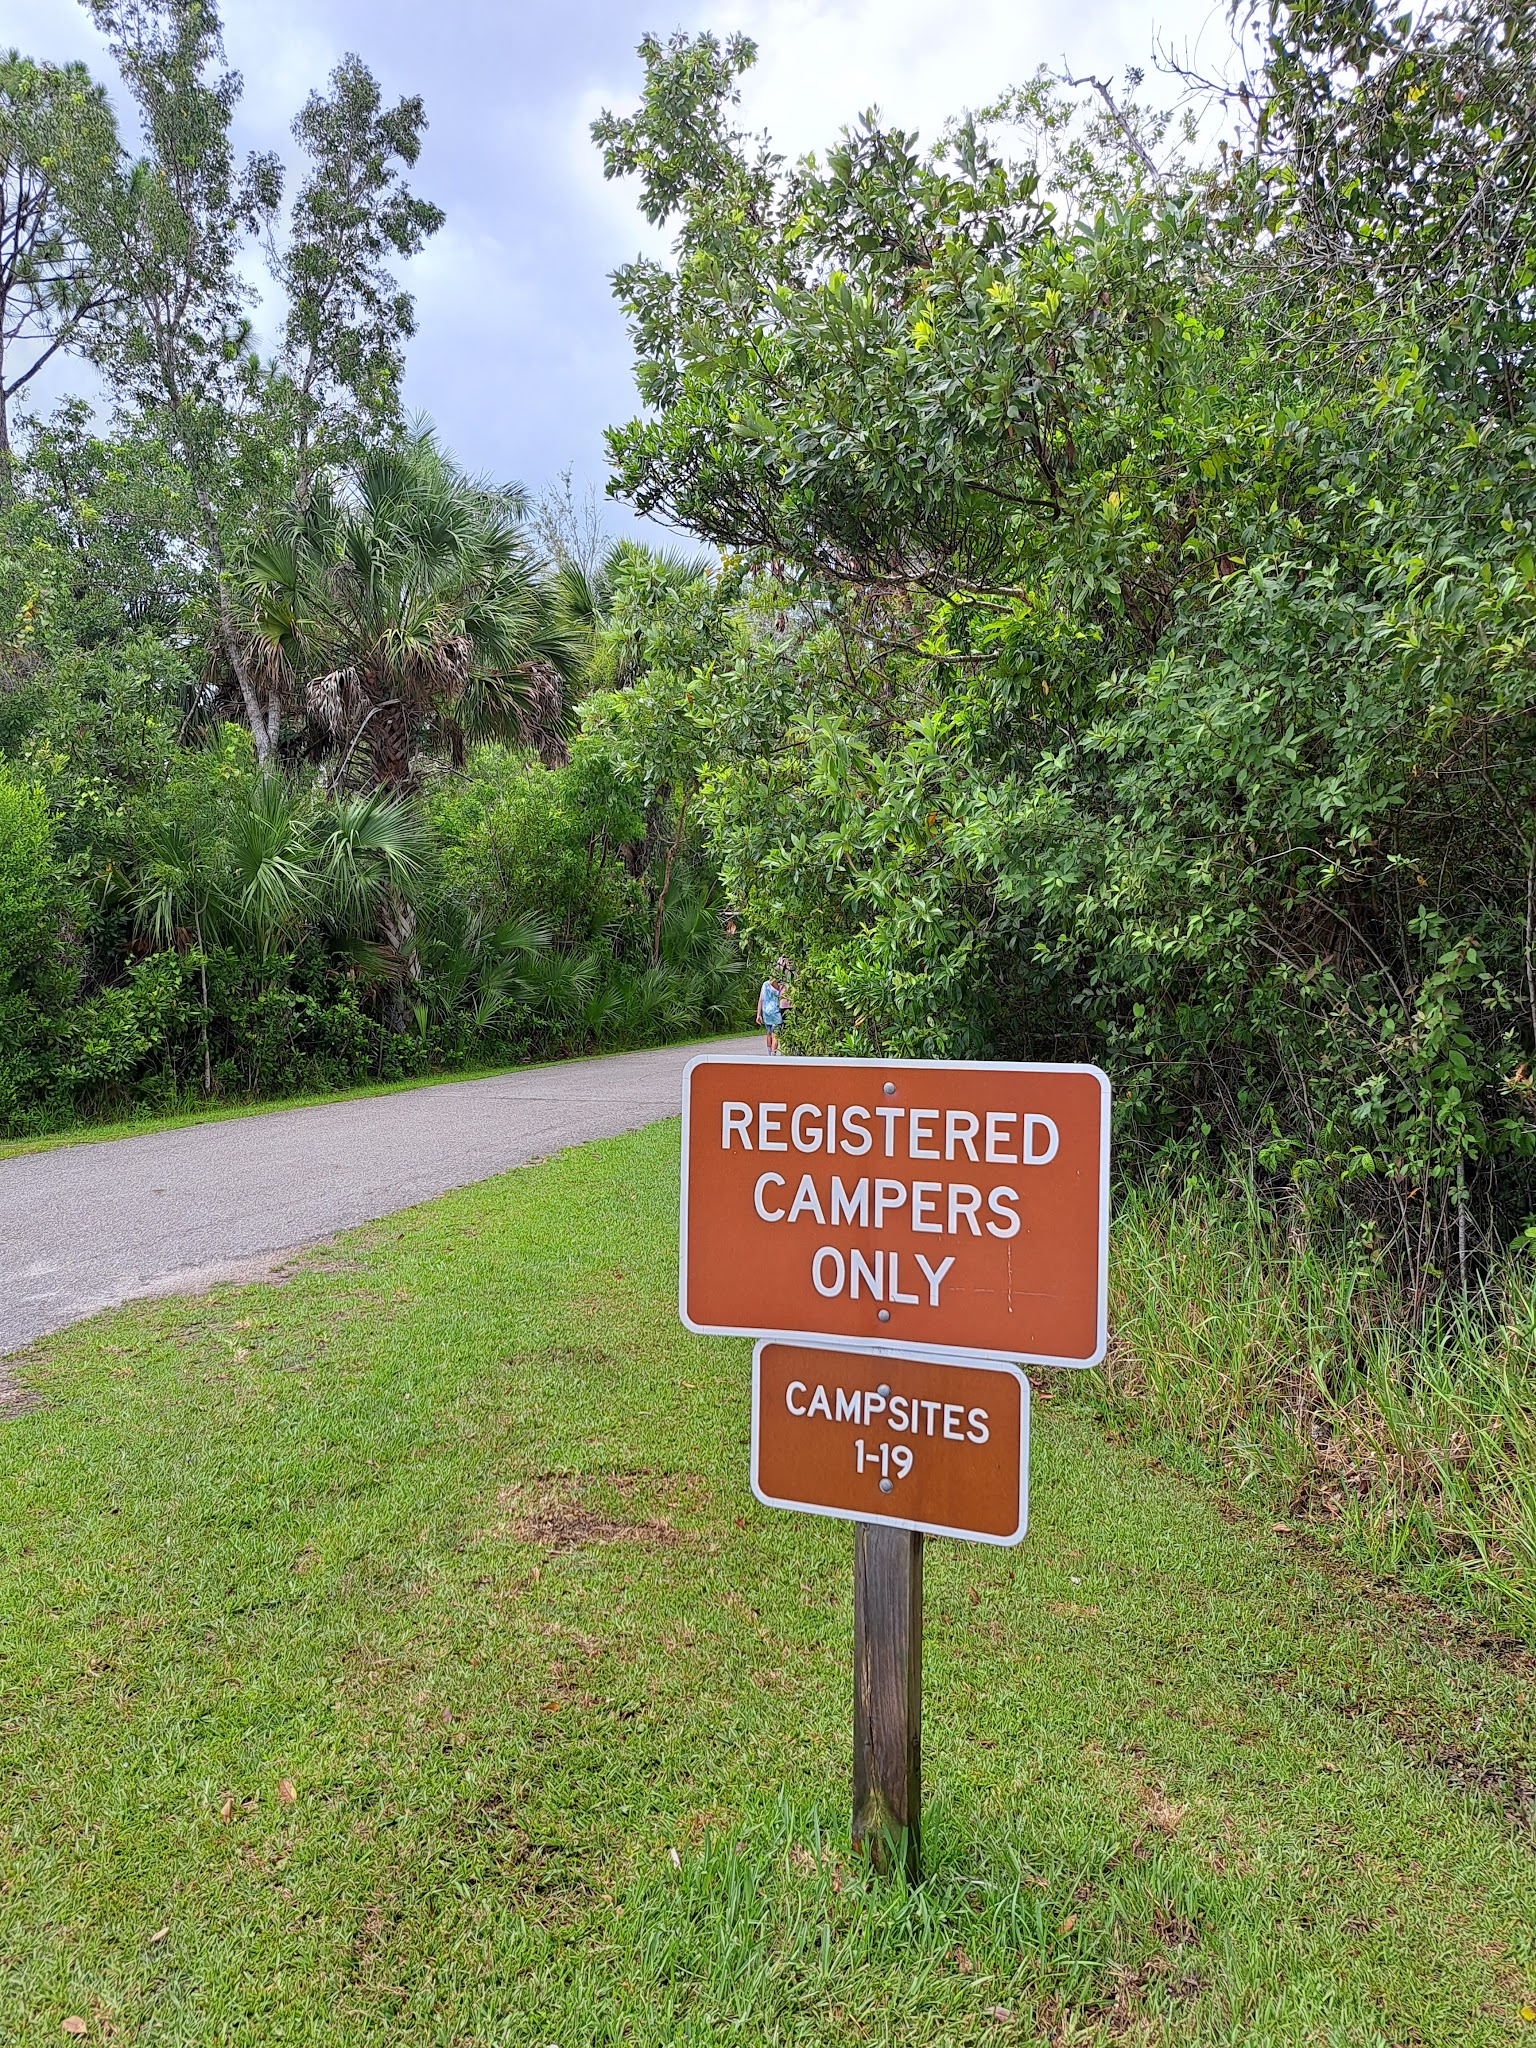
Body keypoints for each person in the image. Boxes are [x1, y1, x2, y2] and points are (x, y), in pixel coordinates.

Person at [757, 970, 785, 1056]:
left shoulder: (765, 984)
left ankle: (769, 1054)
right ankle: (773, 1056)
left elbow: (760, 1000)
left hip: (766, 1013)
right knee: (775, 1034)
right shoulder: (780, 986)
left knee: (768, 1034)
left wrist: (758, 1014)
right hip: (776, 1012)